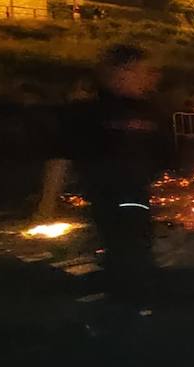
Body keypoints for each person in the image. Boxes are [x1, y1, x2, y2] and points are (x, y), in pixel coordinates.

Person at [61, 45, 169, 309]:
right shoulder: (91, 112)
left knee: (134, 244)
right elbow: (63, 154)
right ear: (119, 72)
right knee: (125, 243)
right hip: (108, 193)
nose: (149, 78)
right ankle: (130, 300)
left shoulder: (150, 111)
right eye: (141, 71)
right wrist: (49, 200)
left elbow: (162, 151)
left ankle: (129, 296)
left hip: (136, 191)